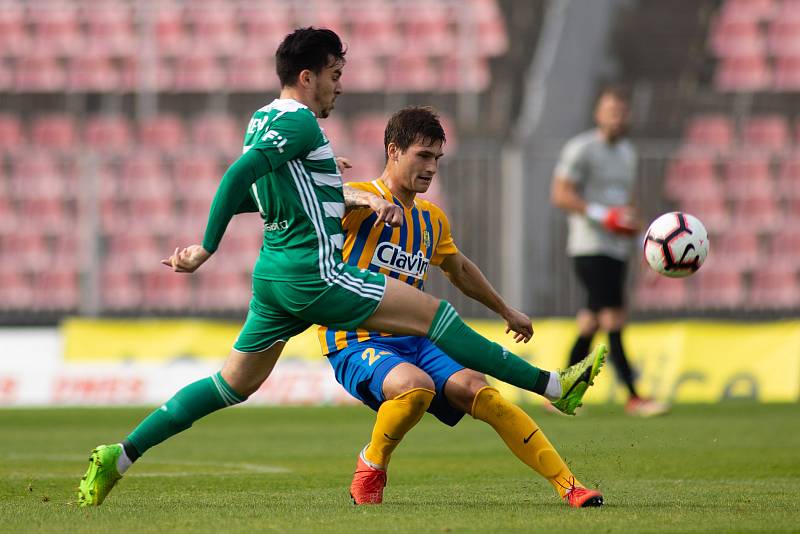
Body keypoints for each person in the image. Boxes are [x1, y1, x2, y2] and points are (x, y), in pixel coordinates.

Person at [78, 27, 604, 507]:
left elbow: (263, 196)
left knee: (230, 386)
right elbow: (241, 173)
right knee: (434, 314)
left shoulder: (261, 120)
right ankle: (554, 384)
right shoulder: (297, 120)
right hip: (313, 274)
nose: (339, 87)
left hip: (274, 277)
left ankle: (120, 454)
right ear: (307, 77)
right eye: (334, 75)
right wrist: (206, 247)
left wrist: (329, 184)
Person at [321, 106, 604, 508]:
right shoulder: (360, 202)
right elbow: (316, 199)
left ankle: (569, 486)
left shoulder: (431, 220)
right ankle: (372, 461)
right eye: (423, 155)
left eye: (437, 158)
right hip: (356, 339)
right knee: (414, 388)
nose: (432, 167)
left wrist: (506, 310)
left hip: (416, 340)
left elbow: (459, 269)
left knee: (482, 392)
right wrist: (356, 194)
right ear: (393, 151)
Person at [550, 87, 668, 417]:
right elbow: (560, 194)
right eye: (610, 111)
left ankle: (559, 393)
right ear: (598, 115)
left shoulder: (627, 153)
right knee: (614, 317)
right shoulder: (581, 149)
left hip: (616, 248)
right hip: (590, 246)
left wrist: (646, 243)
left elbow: (627, 204)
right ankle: (634, 396)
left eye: (621, 111)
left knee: (590, 322)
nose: (616, 117)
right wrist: (605, 216)